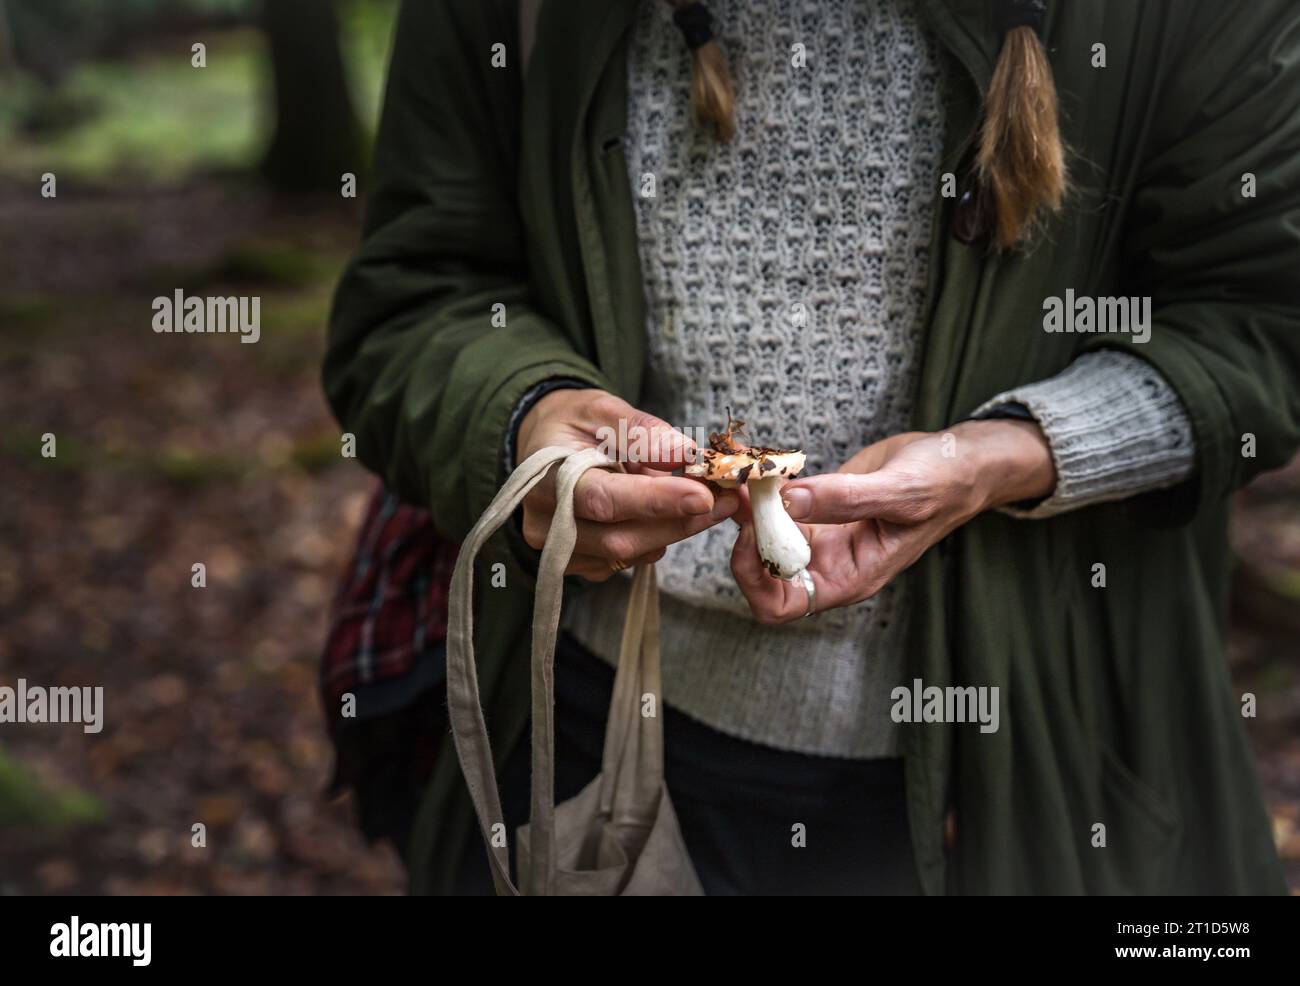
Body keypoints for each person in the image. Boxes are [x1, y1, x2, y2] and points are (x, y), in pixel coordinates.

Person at [323, 0, 1299, 894]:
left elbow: (1261, 322)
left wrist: (1011, 453)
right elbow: (416, 297)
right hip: (589, 727)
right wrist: (525, 420)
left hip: (1030, 763)